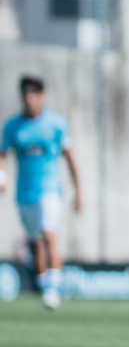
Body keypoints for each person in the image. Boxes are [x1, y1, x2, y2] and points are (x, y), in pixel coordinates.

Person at [0, 76, 82, 310]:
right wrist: (2, 177)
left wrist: (78, 192)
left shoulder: (55, 123)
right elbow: (2, 154)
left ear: (41, 96)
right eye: (26, 93)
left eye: (34, 93)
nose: (30, 97)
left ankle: (53, 290)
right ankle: (45, 286)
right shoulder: (12, 126)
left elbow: (70, 159)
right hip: (24, 194)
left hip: (50, 188)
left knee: (49, 235)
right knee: (36, 243)